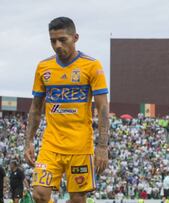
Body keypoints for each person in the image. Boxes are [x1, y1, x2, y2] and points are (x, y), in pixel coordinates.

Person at [24, 17, 109, 203]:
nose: (57, 45)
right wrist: (28, 141)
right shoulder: (43, 67)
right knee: (39, 194)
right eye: (53, 41)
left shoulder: (92, 66)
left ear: (75, 37)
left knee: (78, 199)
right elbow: (35, 108)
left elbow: (103, 108)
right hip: (50, 145)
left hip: (80, 146)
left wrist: (102, 146)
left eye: (63, 39)